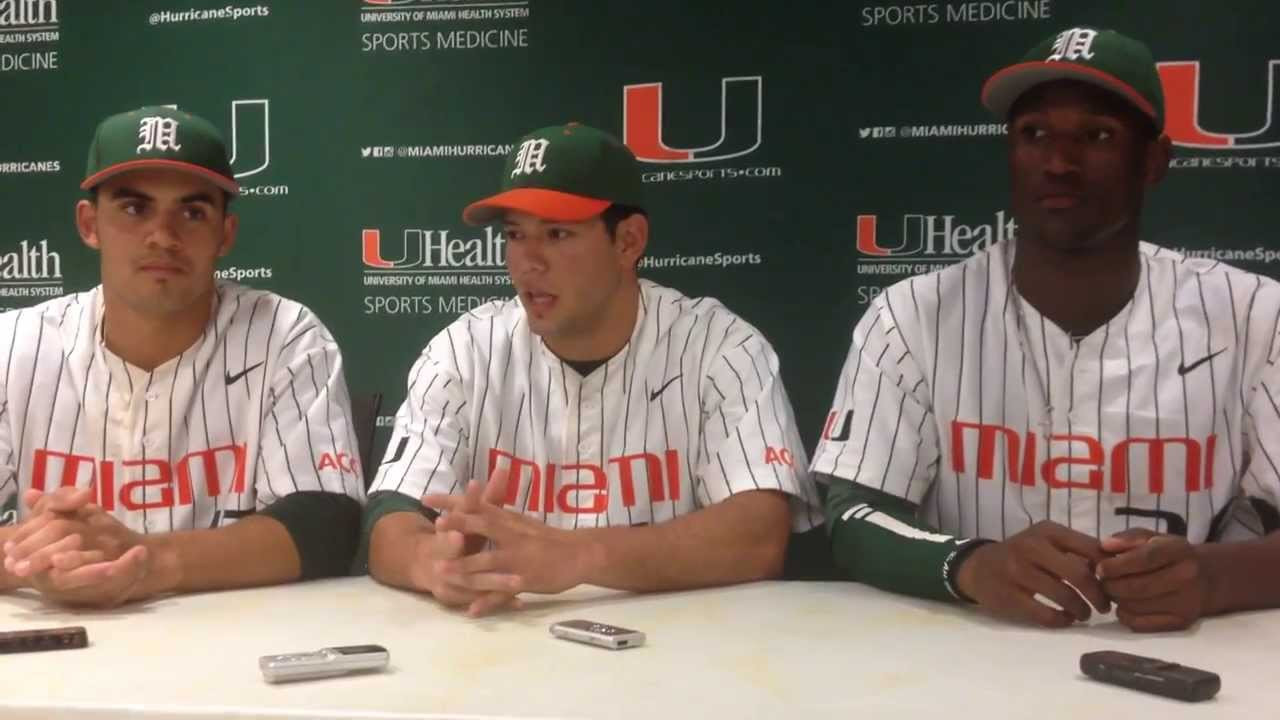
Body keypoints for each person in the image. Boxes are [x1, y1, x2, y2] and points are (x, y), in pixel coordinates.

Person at [813, 27, 1280, 632]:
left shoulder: (1253, 315)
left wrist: (1214, 577)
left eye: (1097, 136)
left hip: (1189, 658)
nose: (1058, 163)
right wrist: (970, 565)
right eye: (1033, 134)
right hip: (971, 657)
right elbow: (852, 516)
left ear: (1155, 161)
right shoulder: (911, 316)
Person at [363, 122, 822, 616]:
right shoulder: (463, 350)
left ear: (628, 241)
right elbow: (390, 514)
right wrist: (432, 563)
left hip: (683, 654)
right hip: (508, 642)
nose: (528, 263)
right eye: (515, 235)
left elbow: (759, 534)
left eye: (557, 234)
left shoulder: (720, 347)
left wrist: (581, 555)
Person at [0, 106, 364, 607]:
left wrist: (146, 562)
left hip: (231, 655)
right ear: (90, 224)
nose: (162, 236)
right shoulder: (14, 344)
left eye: (192, 213)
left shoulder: (286, 336)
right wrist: (40, 555)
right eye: (134, 209)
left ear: (225, 234)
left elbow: (327, 523)